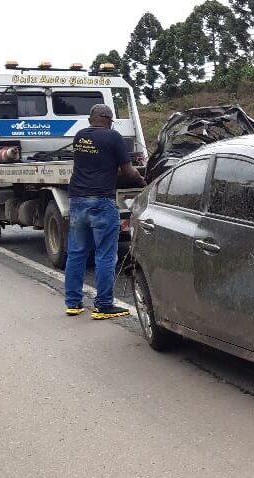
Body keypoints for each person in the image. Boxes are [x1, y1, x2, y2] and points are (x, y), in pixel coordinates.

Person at [64, 103, 146, 319]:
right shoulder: (113, 137)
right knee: (105, 255)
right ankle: (103, 306)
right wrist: (143, 181)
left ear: (92, 119)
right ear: (109, 120)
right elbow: (128, 171)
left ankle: (73, 304)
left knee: (76, 253)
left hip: (77, 200)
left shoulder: (80, 137)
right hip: (101, 201)